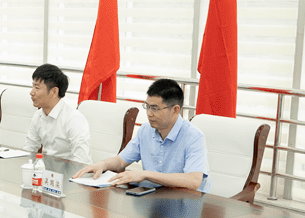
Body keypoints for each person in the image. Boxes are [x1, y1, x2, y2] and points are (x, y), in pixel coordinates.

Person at [73, 78, 210, 192]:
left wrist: (145, 175)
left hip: (186, 203)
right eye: (147, 106)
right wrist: (102, 164)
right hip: (152, 199)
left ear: (175, 110)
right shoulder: (146, 130)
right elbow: (121, 161)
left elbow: (194, 181)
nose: (149, 113)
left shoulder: (194, 136)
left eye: (155, 108)